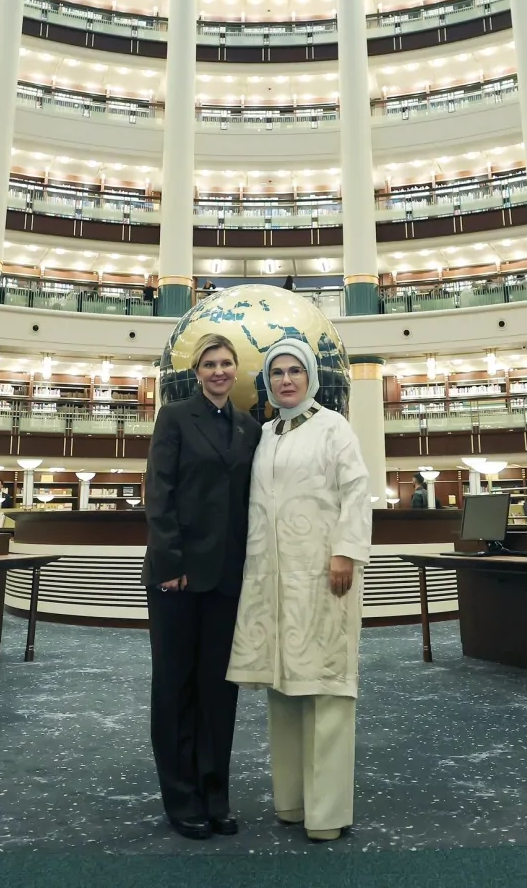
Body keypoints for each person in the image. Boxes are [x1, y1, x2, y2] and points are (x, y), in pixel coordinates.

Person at [227, 338, 372, 842]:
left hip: (325, 575)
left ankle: (327, 814)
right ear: (267, 381)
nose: (286, 380)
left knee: (327, 687)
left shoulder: (335, 427)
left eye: (295, 371)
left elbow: (356, 491)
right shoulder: (264, 432)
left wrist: (345, 552)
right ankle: (290, 803)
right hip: (272, 580)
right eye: (277, 373)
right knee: (284, 687)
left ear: (311, 376)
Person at [141, 334, 262, 840]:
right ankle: (182, 799)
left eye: (225, 364)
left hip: (228, 579)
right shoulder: (174, 418)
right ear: (197, 372)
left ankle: (216, 795)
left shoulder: (250, 429)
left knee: (219, 691)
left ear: (237, 372)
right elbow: (159, 491)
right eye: (209, 364)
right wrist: (170, 561)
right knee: (175, 687)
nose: (218, 371)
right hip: (178, 576)